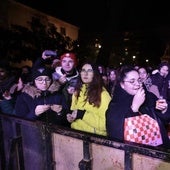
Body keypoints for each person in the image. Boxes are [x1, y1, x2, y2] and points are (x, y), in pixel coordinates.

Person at [106, 65, 170, 148]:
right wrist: (134, 109)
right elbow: (116, 136)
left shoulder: (149, 96)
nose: (137, 84)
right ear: (122, 84)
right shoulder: (115, 105)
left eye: (139, 80)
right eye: (132, 81)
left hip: (159, 149)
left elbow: (163, 121)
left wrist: (164, 110)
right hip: (136, 155)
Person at [67, 62, 111, 136]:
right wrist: (71, 118)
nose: (85, 74)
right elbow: (74, 112)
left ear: (95, 74)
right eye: (83, 70)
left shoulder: (103, 95)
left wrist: (83, 115)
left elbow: (106, 125)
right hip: (76, 136)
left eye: (90, 71)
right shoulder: (77, 92)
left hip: (94, 141)